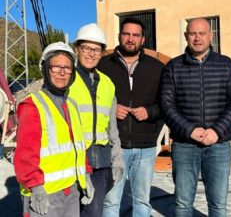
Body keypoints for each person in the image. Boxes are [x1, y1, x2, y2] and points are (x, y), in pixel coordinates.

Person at [160, 18, 231, 217]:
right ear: (186, 36)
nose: (197, 38)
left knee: (218, 205)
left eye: (202, 33)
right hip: (184, 145)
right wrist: (190, 130)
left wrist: (217, 130)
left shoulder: (226, 65)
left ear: (211, 35)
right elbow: (166, 105)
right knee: (182, 204)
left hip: (218, 145)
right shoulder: (173, 66)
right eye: (192, 34)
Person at [14, 42, 94, 217]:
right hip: (44, 195)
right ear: (46, 69)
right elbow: (25, 154)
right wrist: (35, 187)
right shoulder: (33, 105)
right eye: (56, 67)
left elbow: (78, 146)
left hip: (71, 192)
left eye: (67, 68)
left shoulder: (72, 105)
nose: (63, 72)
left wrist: (86, 174)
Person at [97, 17, 164, 217]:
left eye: (136, 35)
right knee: (110, 202)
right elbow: (92, 101)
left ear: (143, 39)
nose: (130, 39)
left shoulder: (156, 67)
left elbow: (166, 103)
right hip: (114, 146)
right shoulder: (103, 66)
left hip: (145, 147)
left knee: (142, 202)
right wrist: (112, 109)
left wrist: (149, 112)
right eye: (126, 34)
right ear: (119, 36)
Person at [68, 23, 124, 217]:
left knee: (93, 213)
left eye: (97, 49)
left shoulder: (108, 84)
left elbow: (112, 128)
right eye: (86, 48)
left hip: (100, 162)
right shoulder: (65, 79)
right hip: (70, 161)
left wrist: (117, 160)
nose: (91, 54)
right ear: (77, 49)